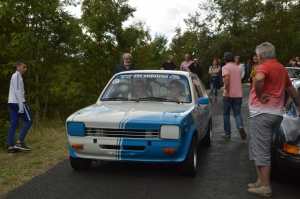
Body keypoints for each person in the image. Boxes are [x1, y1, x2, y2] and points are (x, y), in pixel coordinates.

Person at [247, 42, 300, 197]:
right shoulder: (281, 68)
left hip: (262, 114)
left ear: (262, 55)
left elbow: (259, 78)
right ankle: (259, 180)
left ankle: (265, 186)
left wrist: (259, 94)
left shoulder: (265, 66)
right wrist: (298, 105)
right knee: (256, 145)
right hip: (276, 113)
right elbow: (290, 89)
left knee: (261, 148)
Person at [7, 60, 33, 154]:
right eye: (23, 67)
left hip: (12, 102)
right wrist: (21, 105)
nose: (25, 69)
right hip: (18, 102)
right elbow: (17, 91)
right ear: (18, 66)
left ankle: (11, 148)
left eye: (26, 67)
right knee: (29, 120)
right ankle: (19, 142)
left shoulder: (15, 76)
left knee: (13, 125)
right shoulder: (17, 76)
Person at [221, 52, 246, 140]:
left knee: (226, 113)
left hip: (229, 95)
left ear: (224, 60)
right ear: (233, 59)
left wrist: (227, 91)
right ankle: (240, 126)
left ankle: (227, 133)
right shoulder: (238, 68)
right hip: (238, 94)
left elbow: (227, 78)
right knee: (237, 113)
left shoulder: (225, 67)